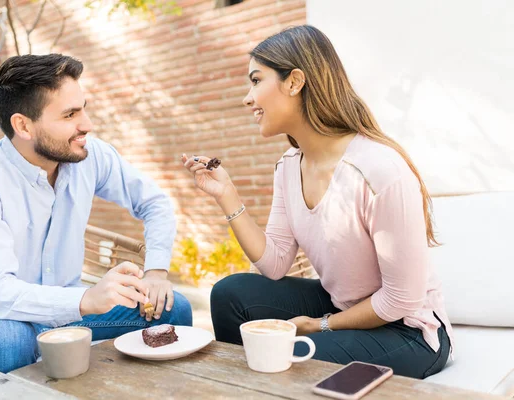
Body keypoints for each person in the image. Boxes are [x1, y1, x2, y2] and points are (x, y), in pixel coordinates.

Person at [181, 25, 452, 379]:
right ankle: (248, 387)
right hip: (343, 306)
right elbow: (276, 263)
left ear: (294, 82)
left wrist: (322, 325)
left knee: (289, 354)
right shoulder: (289, 166)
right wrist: (226, 195)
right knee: (230, 294)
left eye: (256, 80)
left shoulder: (379, 169)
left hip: (408, 331)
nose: (248, 98)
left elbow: (401, 299)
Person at [0, 54, 192, 373]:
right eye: (70, 114)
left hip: (71, 307)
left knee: (173, 308)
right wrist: (86, 300)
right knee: (9, 341)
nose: (87, 124)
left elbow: (154, 202)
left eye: (84, 108)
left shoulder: (90, 155)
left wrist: (156, 272)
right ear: (23, 125)